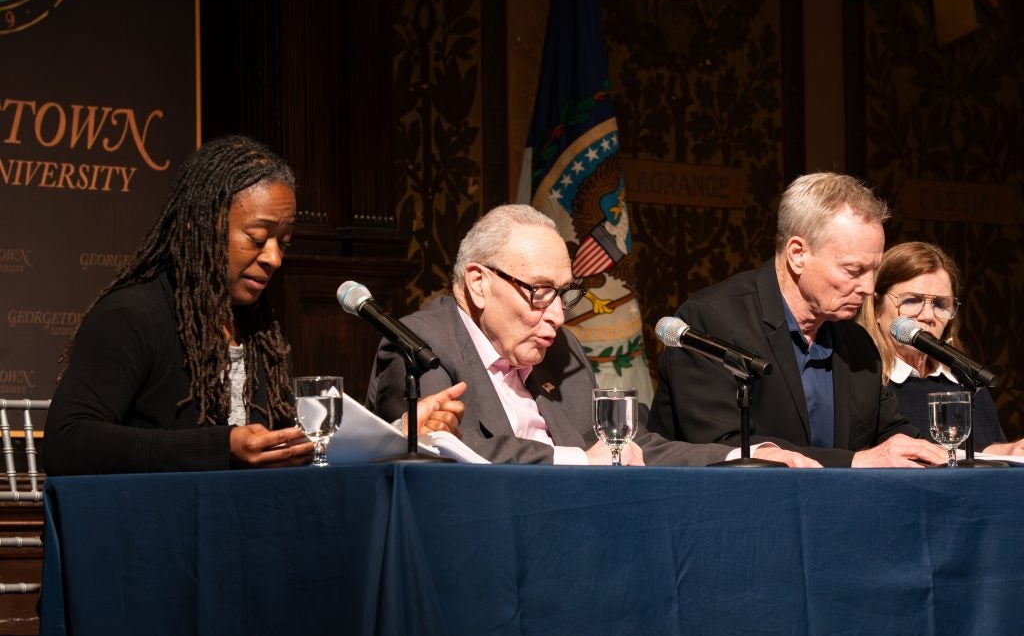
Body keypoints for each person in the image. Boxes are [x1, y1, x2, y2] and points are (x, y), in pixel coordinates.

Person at [45, 135, 461, 475]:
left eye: (284, 242)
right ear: (201, 224)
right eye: (258, 238)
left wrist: (397, 433)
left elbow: (286, 451)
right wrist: (221, 446)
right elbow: (68, 442)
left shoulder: (260, 330)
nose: (274, 258)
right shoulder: (133, 315)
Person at [366, 204, 816, 466]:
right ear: (480, 283)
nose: (559, 316)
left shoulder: (561, 350)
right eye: (540, 292)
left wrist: (745, 457)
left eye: (566, 294)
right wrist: (579, 461)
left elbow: (634, 443)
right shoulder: (419, 345)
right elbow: (445, 450)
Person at [648, 173, 946, 467]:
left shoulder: (857, 342)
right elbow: (724, 446)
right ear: (798, 254)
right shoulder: (711, 321)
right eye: (854, 270)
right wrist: (855, 461)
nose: (869, 288)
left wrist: (938, 458)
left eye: (874, 271)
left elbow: (891, 434)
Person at [857, 241, 1023, 455]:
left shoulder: (965, 381)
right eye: (911, 300)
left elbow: (978, 455)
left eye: (940, 305)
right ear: (877, 308)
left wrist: (1009, 452)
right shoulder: (861, 380)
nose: (927, 316)